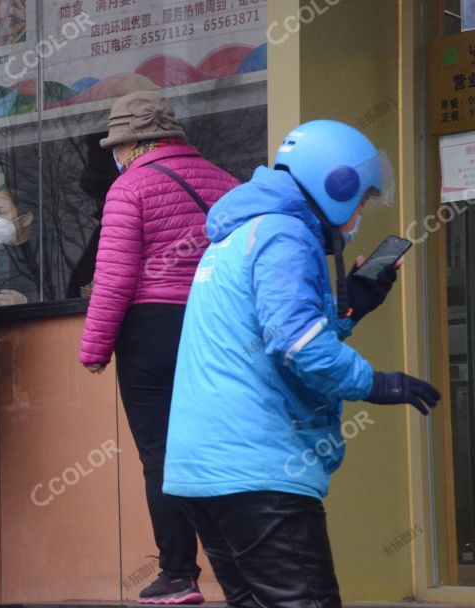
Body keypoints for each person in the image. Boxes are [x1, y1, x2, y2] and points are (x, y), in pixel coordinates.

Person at [163, 120, 441, 608]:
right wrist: (376, 383)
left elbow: (276, 335)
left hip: (205, 472)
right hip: (260, 473)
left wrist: (349, 307)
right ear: (335, 185)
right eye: (361, 200)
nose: (359, 215)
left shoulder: (239, 235)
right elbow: (297, 346)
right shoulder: (284, 235)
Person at [79, 90, 238, 604]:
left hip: (154, 331)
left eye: (116, 146)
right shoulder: (226, 183)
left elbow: (115, 276)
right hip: (218, 325)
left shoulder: (130, 188)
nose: (115, 155)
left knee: (163, 455)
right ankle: (246, 567)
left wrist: (95, 347)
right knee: (223, 448)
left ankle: (179, 575)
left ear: (131, 145)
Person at [0, 188, 52, 307]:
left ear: (25, 219)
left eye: (2, 213)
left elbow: (57, 296)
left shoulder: (44, 253)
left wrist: (27, 303)